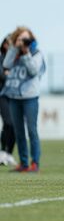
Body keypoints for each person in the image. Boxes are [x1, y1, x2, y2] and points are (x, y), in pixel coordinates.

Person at [1, 27, 46, 172]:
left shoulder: (36, 53)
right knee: (19, 131)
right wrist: (15, 48)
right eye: (21, 38)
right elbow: (6, 65)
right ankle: (24, 163)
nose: (24, 42)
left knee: (32, 130)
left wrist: (26, 53)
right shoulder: (13, 52)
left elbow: (33, 71)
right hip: (14, 96)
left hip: (30, 97)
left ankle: (35, 163)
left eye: (26, 39)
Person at [0, 35, 17, 166]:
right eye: (7, 43)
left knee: (16, 126)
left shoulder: (16, 59)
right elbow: (3, 76)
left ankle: (9, 153)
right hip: (3, 95)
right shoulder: (1, 59)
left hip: (16, 96)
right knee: (8, 123)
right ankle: (2, 152)